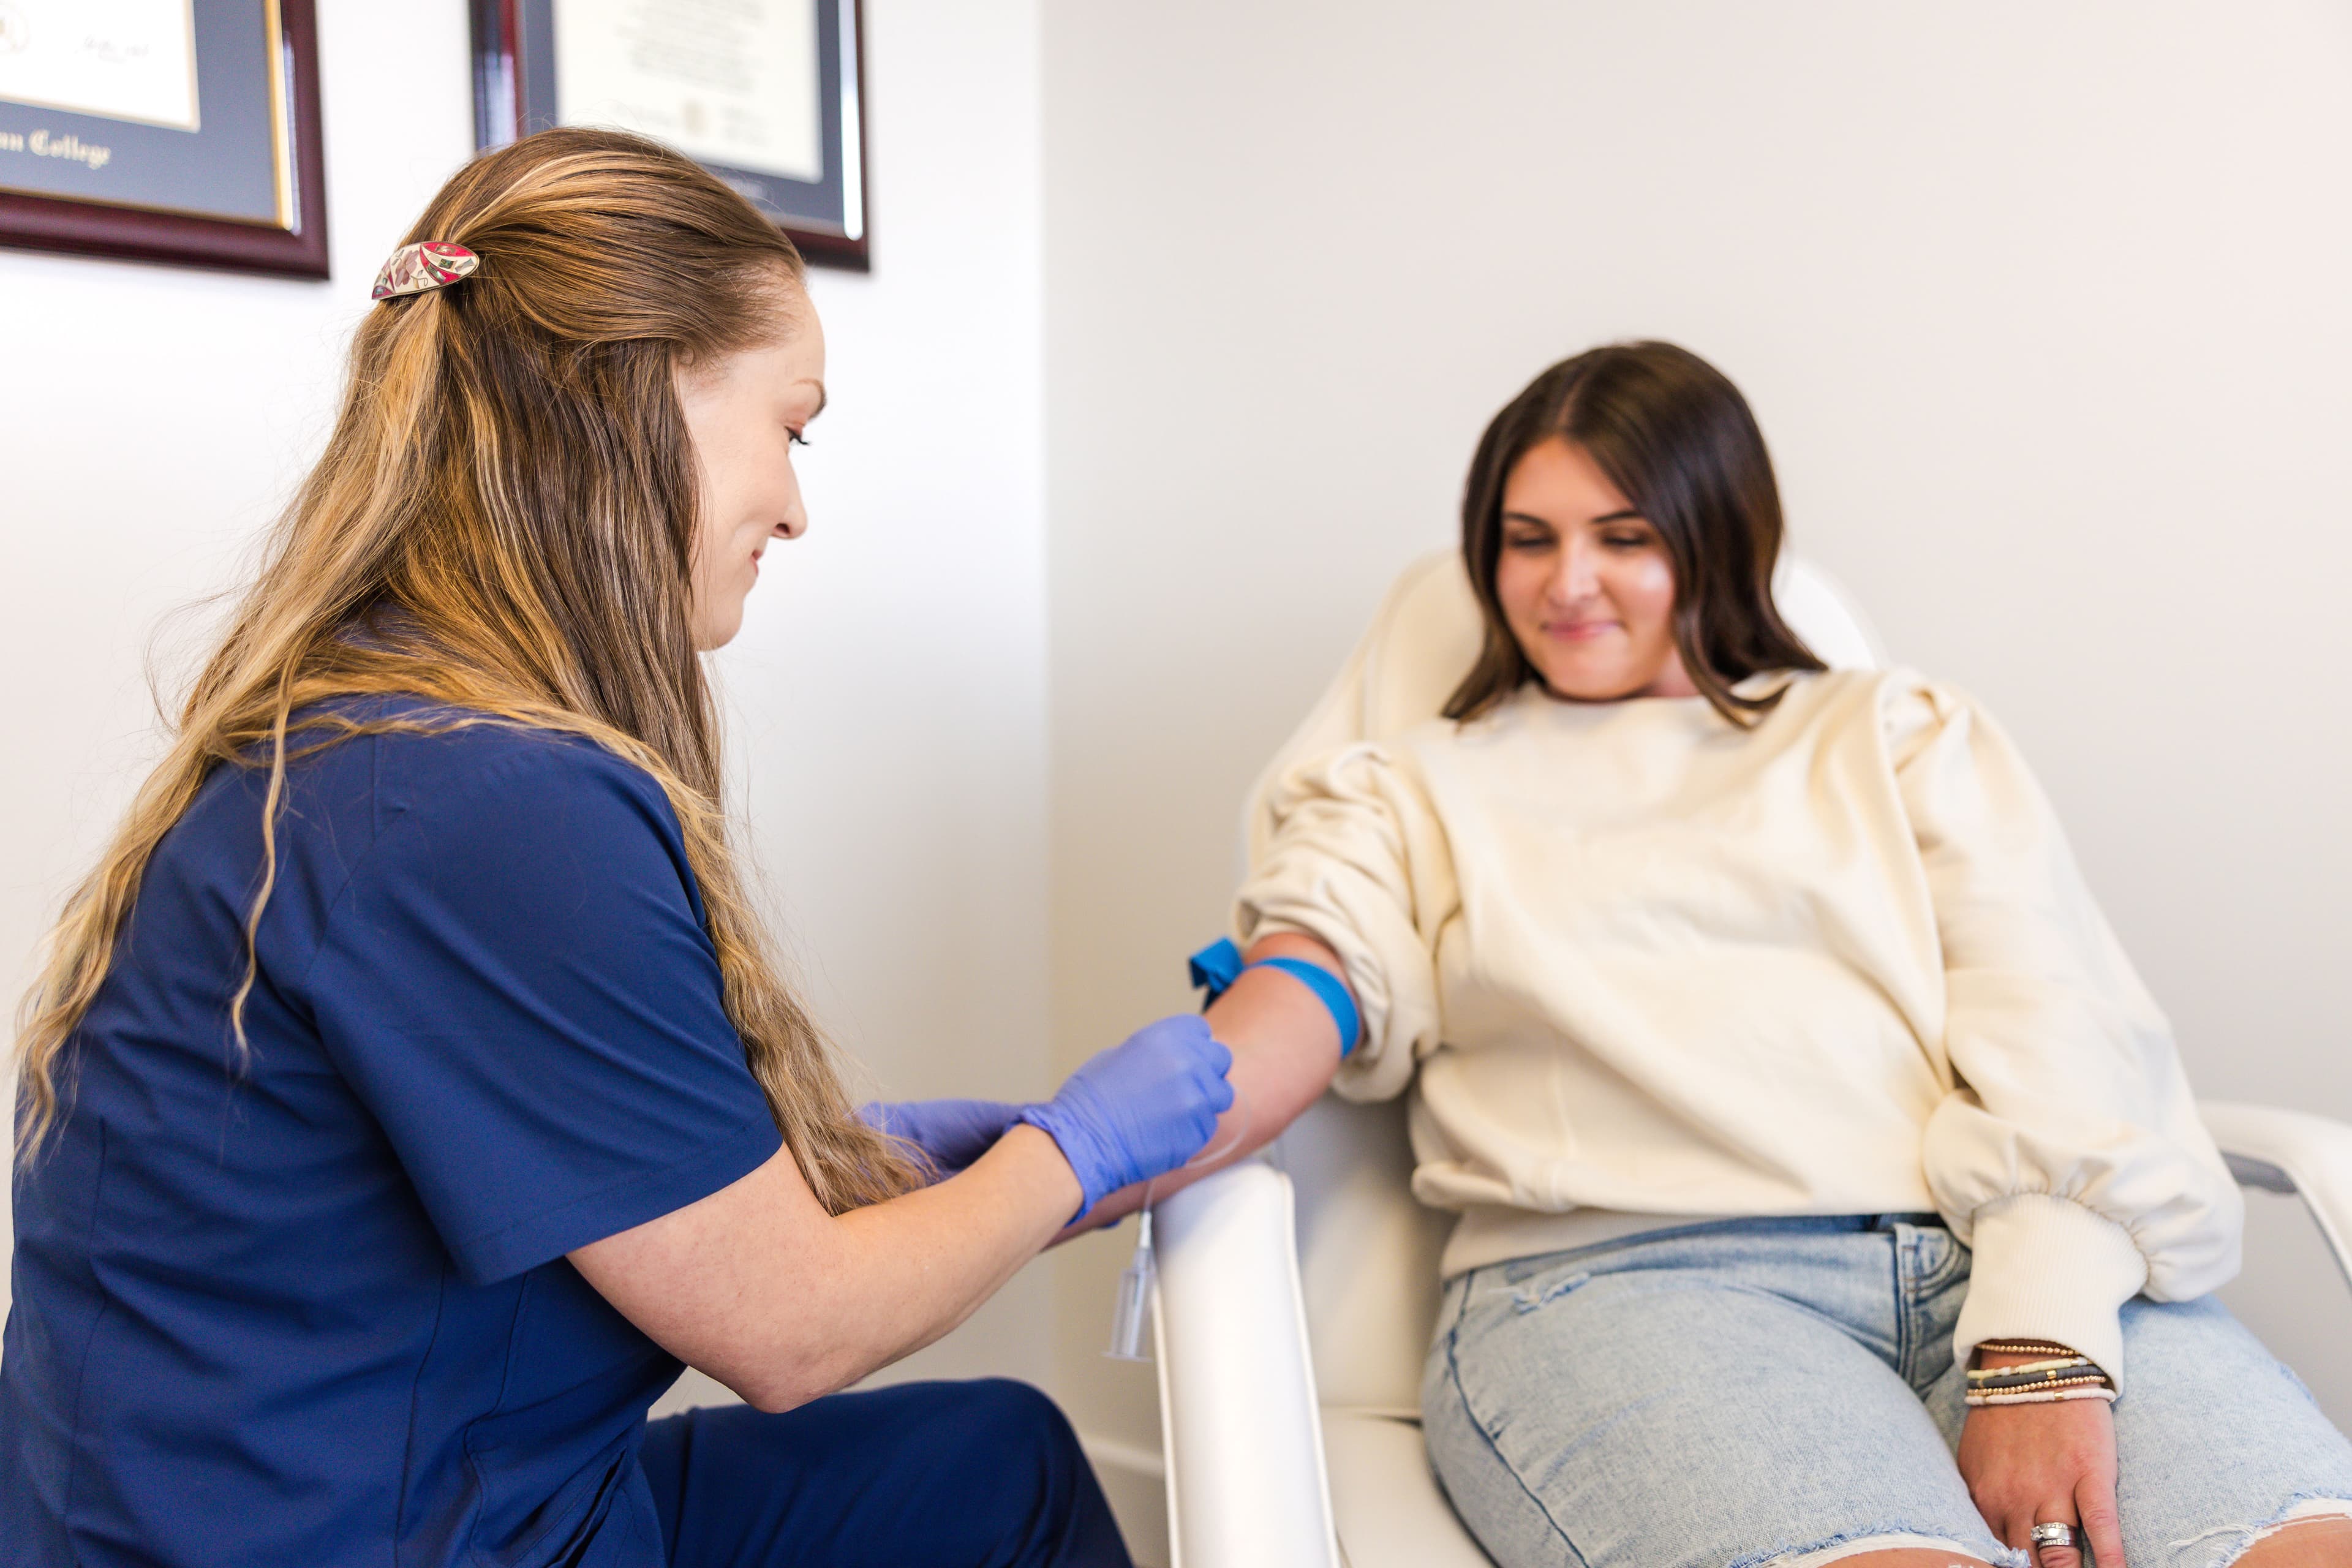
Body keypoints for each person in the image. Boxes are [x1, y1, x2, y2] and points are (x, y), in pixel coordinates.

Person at [0, 128, 1234, 1568]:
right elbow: (792, 1328)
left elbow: (540, 1144)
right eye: (793, 423)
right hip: (356, 1533)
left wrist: (842, 1165)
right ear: (639, 394)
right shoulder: (485, 802)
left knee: (997, 1456)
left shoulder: (379, 732)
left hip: (319, 1482)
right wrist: (1070, 1155)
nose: (795, 501)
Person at [1096, 342, 2352, 1568]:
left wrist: (2041, 1346)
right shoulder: (1409, 790)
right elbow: (1304, 984)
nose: (1565, 581)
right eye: (1525, 537)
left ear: (1719, 535)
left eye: (1625, 535)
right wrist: (1074, 1155)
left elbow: (2064, 1034)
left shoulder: (1898, 734)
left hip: (1993, 1257)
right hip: (1632, 1287)